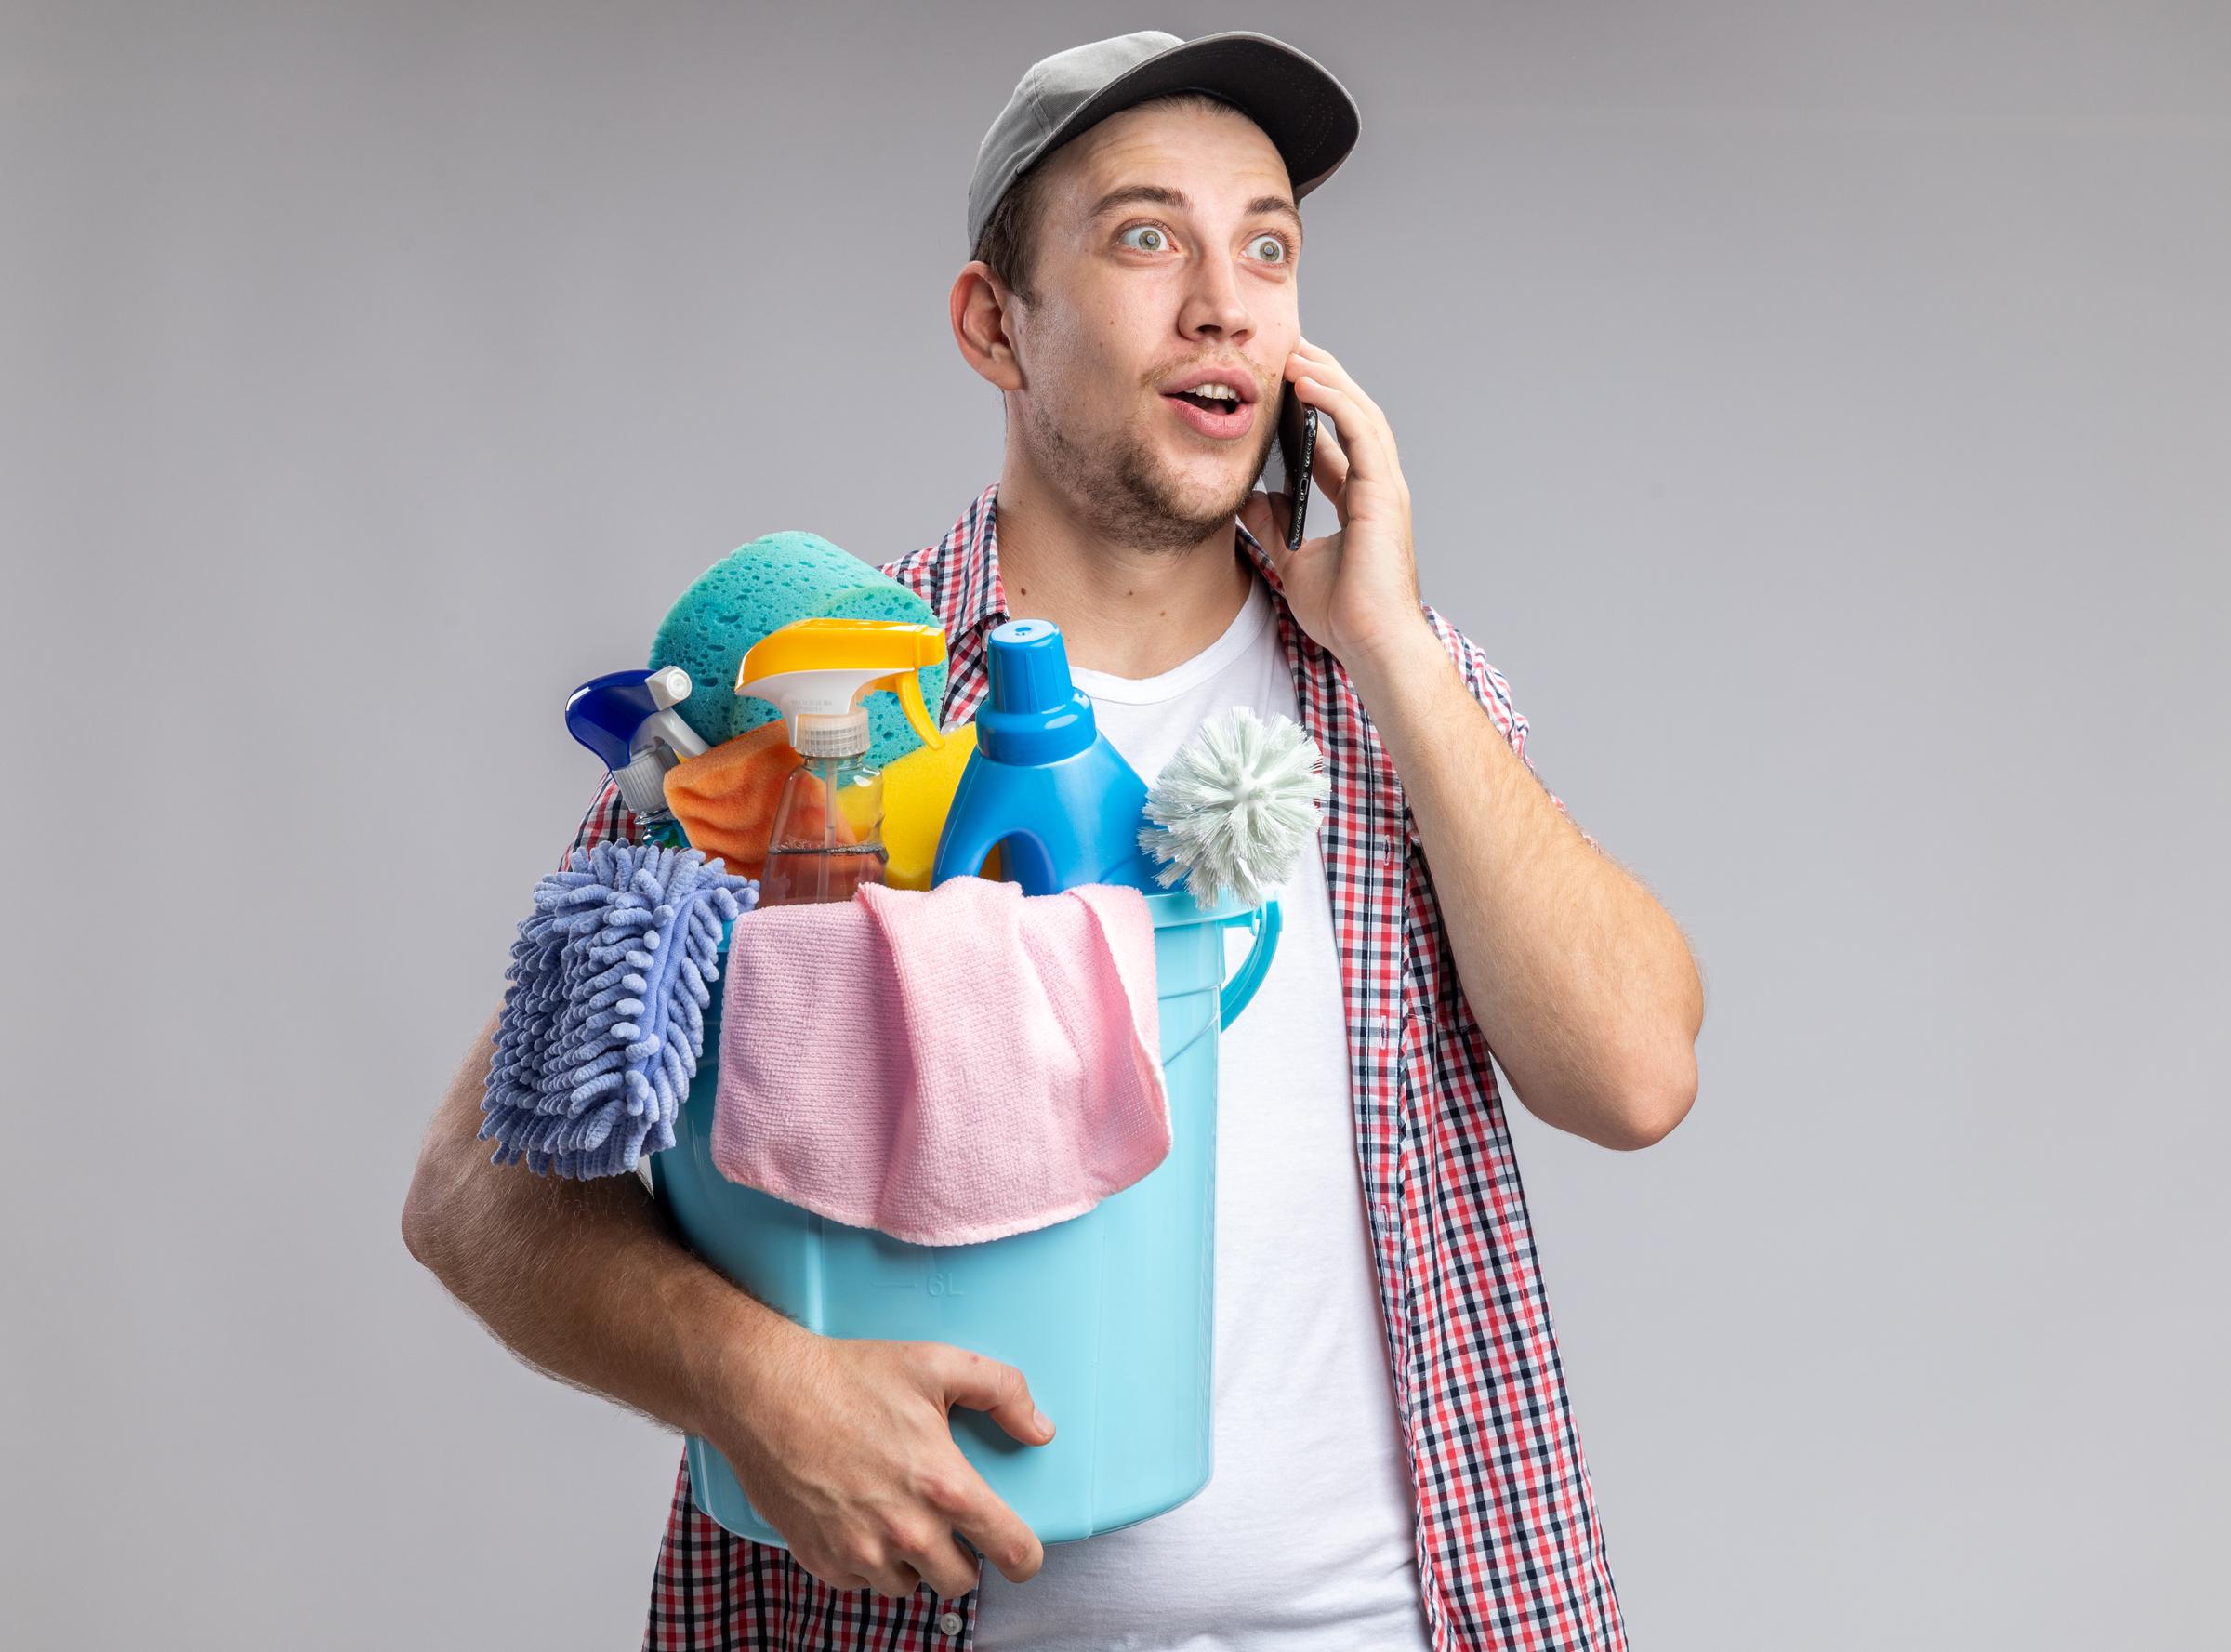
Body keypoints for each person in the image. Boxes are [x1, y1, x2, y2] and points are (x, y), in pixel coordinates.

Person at [403, 29, 1702, 1651]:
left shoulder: (1398, 697)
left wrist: (1394, 644)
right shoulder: (801, 701)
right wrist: (760, 1381)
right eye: (1146, 235)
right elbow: (478, 1189)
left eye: (1269, 246)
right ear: (991, 325)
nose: (1224, 298)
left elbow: (1636, 1072)